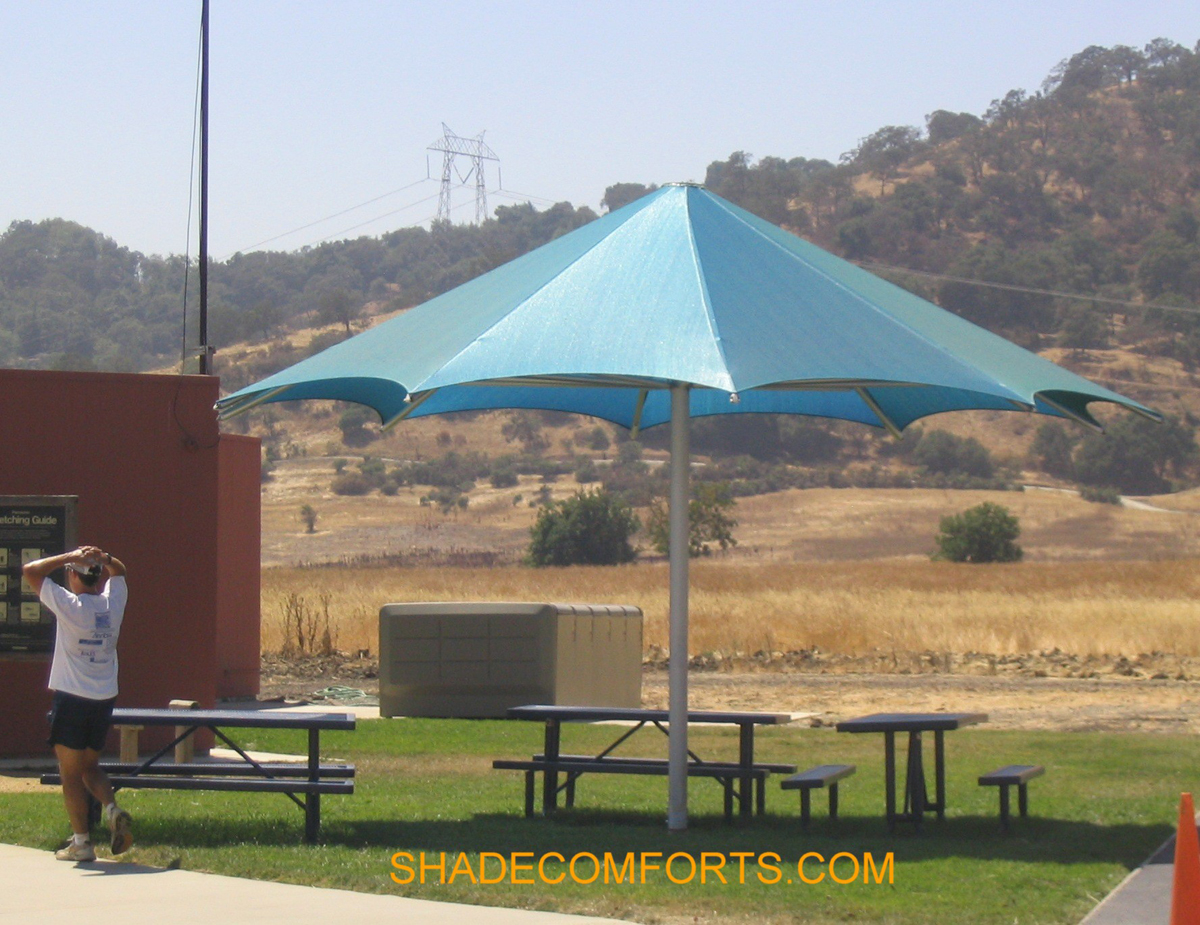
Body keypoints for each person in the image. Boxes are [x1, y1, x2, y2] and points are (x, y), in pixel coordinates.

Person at [23, 545, 132, 861]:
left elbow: (30, 570)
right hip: (104, 696)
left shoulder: (69, 605)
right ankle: (111, 809)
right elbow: (121, 572)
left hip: (72, 697)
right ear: (99, 578)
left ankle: (82, 843)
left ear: (73, 575)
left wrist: (68, 556)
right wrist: (104, 559)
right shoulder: (113, 603)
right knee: (90, 767)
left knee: (70, 774)